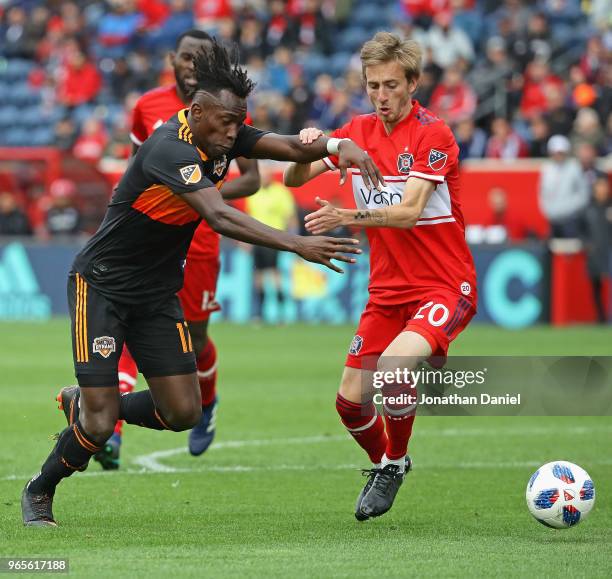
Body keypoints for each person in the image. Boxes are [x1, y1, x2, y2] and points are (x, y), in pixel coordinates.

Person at [21, 39, 383, 527]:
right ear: (196, 111)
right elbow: (218, 216)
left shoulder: (222, 133)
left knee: (183, 411)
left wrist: (342, 146)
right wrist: (297, 244)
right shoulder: (168, 148)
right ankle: (40, 490)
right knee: (101, 423)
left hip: (155, 294)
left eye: (240, 123)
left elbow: (289, 145)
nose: (234, 134)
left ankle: (83, 404)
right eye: (227, 123)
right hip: (101, 286)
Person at [284, 32, 477, 521]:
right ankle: (389, 463)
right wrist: (309, 146)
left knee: (393, 368)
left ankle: (391, 462)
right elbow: (293, 179)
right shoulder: (357, 132)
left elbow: (410, 212)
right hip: (387, 292)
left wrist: (344, 214)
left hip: (443, 284)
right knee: (349, 403)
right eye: (373, 86)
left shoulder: (433, 134)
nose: (382, 96)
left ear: (413, 83)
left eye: (392, 85)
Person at [96, 30, 261, 469]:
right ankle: (108, 430)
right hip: (151, 239)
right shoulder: (147, 107)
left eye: (199, 59)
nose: (191, 65)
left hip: (201, 236)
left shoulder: (224, 109)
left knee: (197, 336)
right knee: (127, 324)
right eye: (186, 57)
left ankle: (205, 404)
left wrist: (200, 193)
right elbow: (138, 168)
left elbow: (253, 178)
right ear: (172, 58)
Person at [245, 163, 296, 321]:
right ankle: (259, 314)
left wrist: (293, 239)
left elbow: (290, 217)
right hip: (256, 238)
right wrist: (245, 240)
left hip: (274, 237)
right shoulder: (253, 193)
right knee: (258, 276)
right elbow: (248, 217)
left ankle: (281, 313)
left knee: (274, 274)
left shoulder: (280, 192)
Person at [538, 135, 589, 239]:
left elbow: (583, 194)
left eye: (560, 153)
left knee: (571, 248)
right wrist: (548, 210)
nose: (558, 156)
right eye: (555, 153)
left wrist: (568, 209)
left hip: (571, 220)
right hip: (552, 219)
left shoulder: (574, 168)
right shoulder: (547, 170)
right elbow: (542, 193)